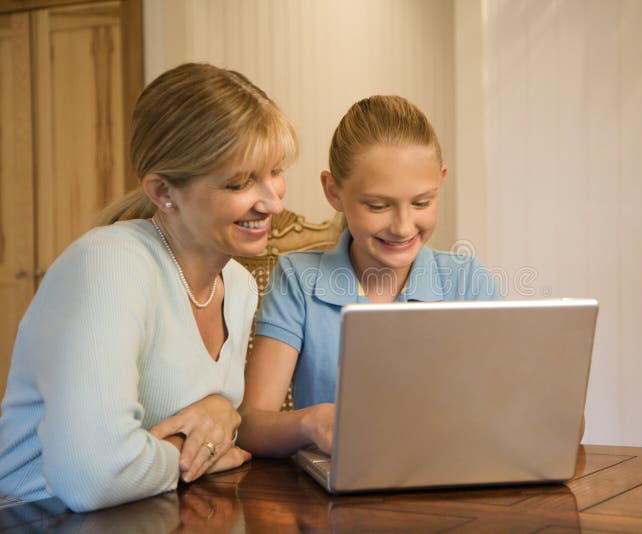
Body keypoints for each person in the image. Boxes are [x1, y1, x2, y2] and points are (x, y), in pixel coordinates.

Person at [0, 63, 297, 511]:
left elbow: (205, 423)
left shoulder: (237, 285)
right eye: (238, 182)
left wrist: (223, 412)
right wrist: (198, 452)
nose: (273, 201)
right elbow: (93, 478)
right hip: (37, 518)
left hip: (152, 511)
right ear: (163, 192)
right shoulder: (109, 264)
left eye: (274, 171)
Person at [237, 95, 502, 457]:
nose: (403, 226)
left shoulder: (467, 280)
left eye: (422, 202)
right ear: (334, 191)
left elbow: (517, 407)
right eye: (378, 206)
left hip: (450, 483)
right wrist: (310, 423)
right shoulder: (298, 280)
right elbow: (251, 425)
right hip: (334, 497)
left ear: (441, 181)